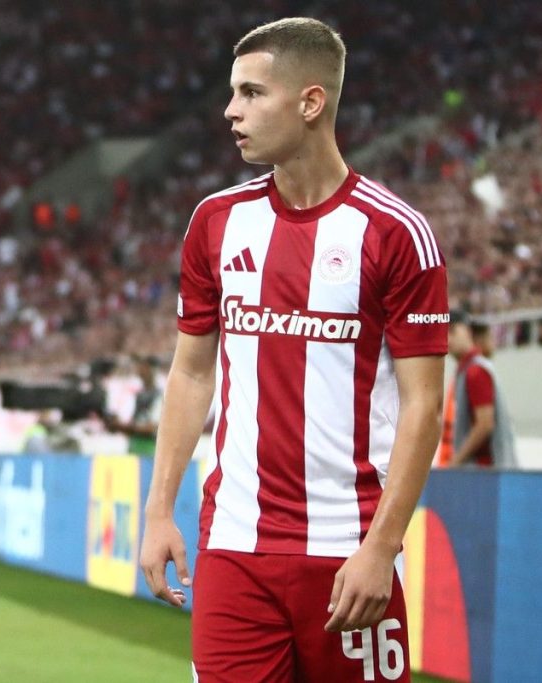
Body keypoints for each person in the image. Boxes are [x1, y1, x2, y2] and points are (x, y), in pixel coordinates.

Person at [138, 17, 448, 683]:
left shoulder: (396, 233)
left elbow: (425, 405)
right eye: (233, 93)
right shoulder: (216, 222)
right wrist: (159, 510)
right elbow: (190, 374)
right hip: (234, 545)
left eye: (251, 93)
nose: (231, 111)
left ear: (311, 102)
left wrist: (382, 547)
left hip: (348, 551)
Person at [445, 309, 516, 468]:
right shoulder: (470, 370)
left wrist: (455, 461)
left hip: (484, 470)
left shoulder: (475, 372)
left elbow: (484, 424)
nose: (447, 338)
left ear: (468, 331)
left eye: (452, 331)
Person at [104, 355, 163, 456]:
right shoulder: (139, 394)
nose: (140, 371)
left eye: (144, 368)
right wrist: (117, 426)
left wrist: (124, 426)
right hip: (134, 446)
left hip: (149, 449)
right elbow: (134, 424)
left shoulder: (159, 395)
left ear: (152, 370)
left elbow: (153, 428)